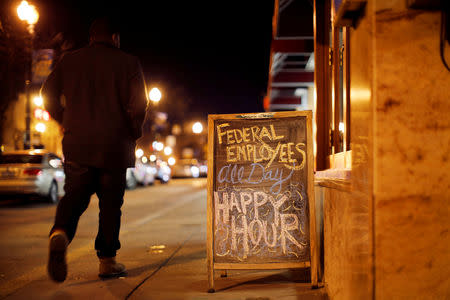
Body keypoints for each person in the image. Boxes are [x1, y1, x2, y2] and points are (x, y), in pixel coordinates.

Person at [41, 17, 150, 282]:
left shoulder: (70, 60)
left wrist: (64, 120)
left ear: (91, 38)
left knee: (75, 195)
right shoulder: (128, 62)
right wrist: (132, 133)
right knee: (111, 205)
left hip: (78, 142)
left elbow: (47, 93)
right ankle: (107, 261)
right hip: (115, 144)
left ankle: (61, 232)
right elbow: (140, 105)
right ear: (114, 37)